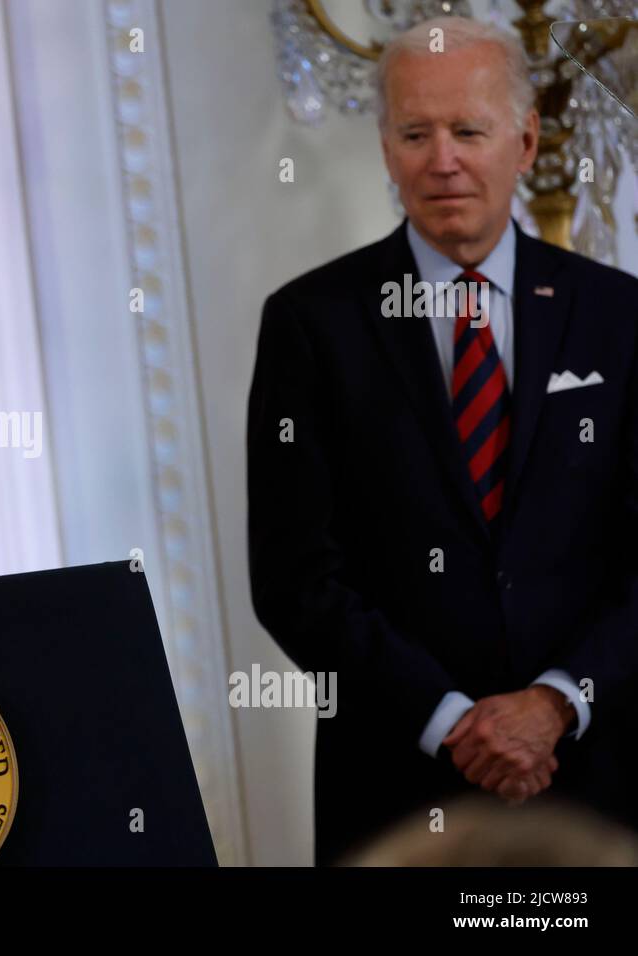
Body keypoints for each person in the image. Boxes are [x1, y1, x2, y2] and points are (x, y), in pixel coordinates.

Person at [247, 18, 638, 864]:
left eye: (469, 130)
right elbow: (293, 579)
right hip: (394, 783)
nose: (443, 159)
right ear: (386, 148)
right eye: (415, 133)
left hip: (598, 779)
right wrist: (454, 724)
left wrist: (557, 702)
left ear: (526, 140)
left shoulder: (621, 315)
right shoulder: (311, 325)